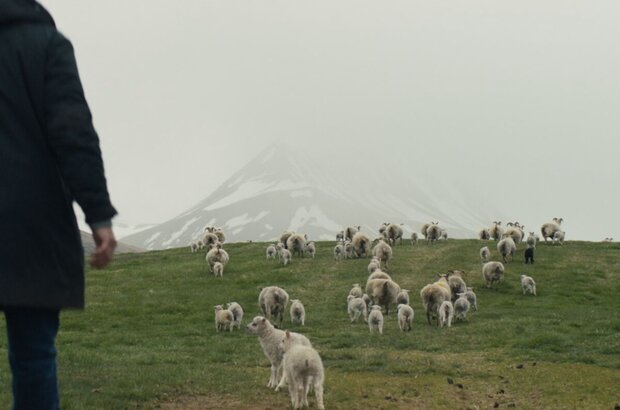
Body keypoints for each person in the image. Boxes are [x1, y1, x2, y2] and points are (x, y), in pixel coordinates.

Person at [0, 0, 118, 408]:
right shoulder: (46, 45)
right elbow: (74, 134)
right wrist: (98, 215)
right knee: (33, 358)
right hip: (33, 225)